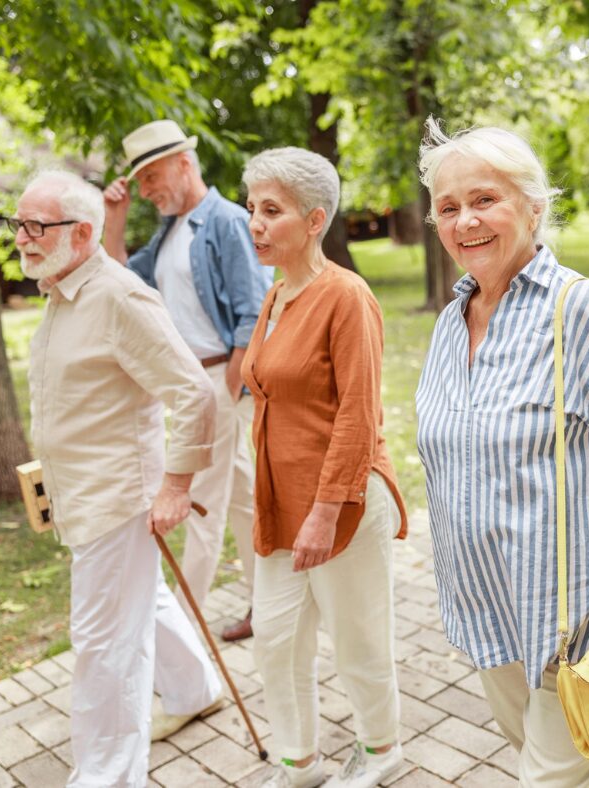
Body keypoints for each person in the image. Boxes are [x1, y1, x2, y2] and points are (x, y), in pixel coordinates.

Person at [414, 120, 589, 786]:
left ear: (534, 207)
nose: (465, 220)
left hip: (575, 620)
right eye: (448, 208)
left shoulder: (578, 309)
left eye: (485, 199)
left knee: (549, 777)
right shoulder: (453, 321)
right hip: (489, 613)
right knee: (546, 764)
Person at [18, 170, 224, 786]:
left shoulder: (120, 297)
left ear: (83, 233)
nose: (22, 238)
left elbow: (193, 394)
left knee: (105, 645)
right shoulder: (62, 290)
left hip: (117, 500)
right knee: (147, 601)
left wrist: (177, 487)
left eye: (37, 226)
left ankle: (106, 775)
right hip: (81, 493)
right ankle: (194, 691)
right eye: (18, 224)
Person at [239, 147, 408, 788]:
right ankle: (298, 762)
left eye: (271, 211)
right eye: (253, 208)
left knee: (358, 639)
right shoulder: (277, 294)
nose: (256, 222)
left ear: (314, 221)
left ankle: (383, 749)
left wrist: (325, 510)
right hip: (279, 501)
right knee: (275, 640)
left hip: (344, 503)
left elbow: (359, 417)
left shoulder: (347, 297)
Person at [103, 120, 274, 643]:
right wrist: (115, 220)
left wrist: (226, 389)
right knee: (244, 502)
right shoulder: (170, 230)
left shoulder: (223, 221)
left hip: (218, 382)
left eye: (151, 176)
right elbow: (120, 281)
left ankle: (179, 637)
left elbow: (254, 309)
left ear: (184, 163)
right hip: (192, 384)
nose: (147, 189)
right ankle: (266, 609)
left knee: (199, 506)